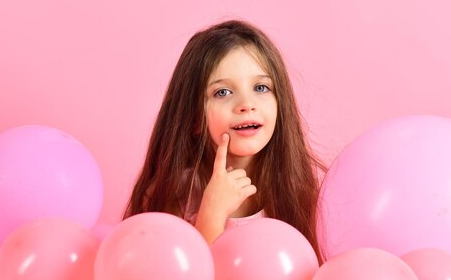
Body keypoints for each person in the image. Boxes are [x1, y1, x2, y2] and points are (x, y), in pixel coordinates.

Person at [124, 19, 327, 264]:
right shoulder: (177, 194)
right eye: (223, 92)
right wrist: (212, 212)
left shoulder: (296, 187)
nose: (246, 104)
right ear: (195, 118)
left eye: (261, 87)